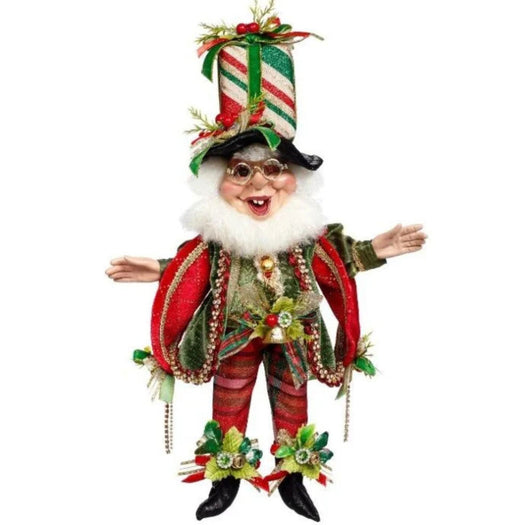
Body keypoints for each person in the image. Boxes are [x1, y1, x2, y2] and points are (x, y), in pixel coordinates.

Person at [106, 141, 426, 521]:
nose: (259, 183)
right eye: (241, 171)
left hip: (292, 337)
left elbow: (343, 257)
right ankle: (226, 476)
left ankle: (292, 476)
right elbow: (190, 270)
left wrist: (374, 249)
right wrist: (160, 270)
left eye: (273, 168)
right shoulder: (221, 239)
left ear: (294, 177)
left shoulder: (303, 237)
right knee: (229, 402)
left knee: (293, 401)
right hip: (234, 337)